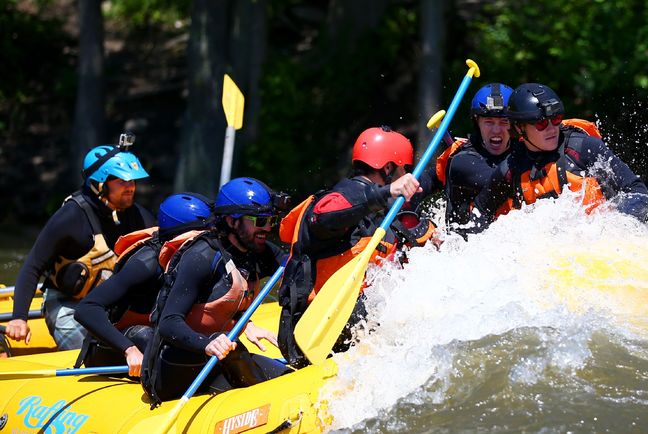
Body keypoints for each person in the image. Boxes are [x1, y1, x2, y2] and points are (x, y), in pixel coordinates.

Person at [277, 126, 437, 367]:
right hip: (313, 331)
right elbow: (322, 215)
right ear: (388, 168)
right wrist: (386, 192)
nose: (405, 177)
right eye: (403, 170)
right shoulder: (346, 195)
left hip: (348, 327)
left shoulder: (378, 211)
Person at [141, 177, 290, 405]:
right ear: (232, 221)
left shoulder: (257, 250)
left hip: (218, 359)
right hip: (173, 366)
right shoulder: (201, 257)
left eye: (271, 220)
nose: (268, 228)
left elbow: (295, 270)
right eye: (260, 221)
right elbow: (168, 323)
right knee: (234, 351)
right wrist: (207, 344)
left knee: (285, 377)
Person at [7, 136, 154, 350]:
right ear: (100, 185)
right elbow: (33, 266)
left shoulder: (138, 217)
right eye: (122, 182)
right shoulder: (71, 216)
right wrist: (19, 317)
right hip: (68, 304)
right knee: (88, 353)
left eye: (132, 181)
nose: (130, 187)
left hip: (109, 305)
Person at [470, 83, 648, 229]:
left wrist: (616, 225)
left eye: (555, 120)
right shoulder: (511, 168)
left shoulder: (585, 149)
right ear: (519, 128)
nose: (551, 129)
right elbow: (478, 214)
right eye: (540, 124)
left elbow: (637, 190)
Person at [74, 193, 214, 377]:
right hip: (112, 348)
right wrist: (129, 350)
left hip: (153, 339)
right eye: (201, 237)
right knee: (146, 336)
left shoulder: (196, 262)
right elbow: (86, 309)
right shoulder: (145, 265)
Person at [433, 83, 515, 235]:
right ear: (477, 122)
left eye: (504, 122)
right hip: (466, 248)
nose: (496, 130)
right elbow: (501, 180)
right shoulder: (463, 161)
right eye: (489, 122)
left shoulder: (521, 150)